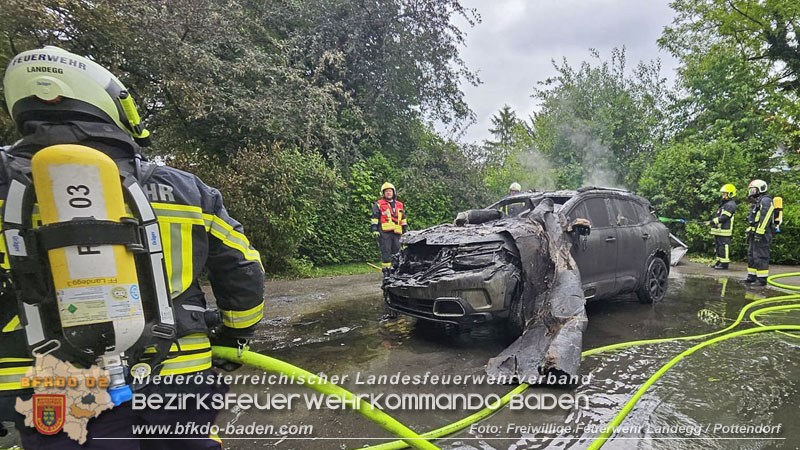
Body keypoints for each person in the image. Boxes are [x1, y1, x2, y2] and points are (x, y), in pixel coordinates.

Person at [1, 46, 265, 449]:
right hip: (177, 375)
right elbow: (244, 267)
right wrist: (233, 338)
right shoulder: (185, 191)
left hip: (51, 385)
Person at [370, 182, 407, 274]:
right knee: (386, 252)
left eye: (390, 191)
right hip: (385, 232)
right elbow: (375, 217)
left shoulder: (400, 204)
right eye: (386, 191)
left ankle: (396, 270)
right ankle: (386, 271)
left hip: (397, 232)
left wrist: (405, 230)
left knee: (397, 252)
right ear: (383, 193)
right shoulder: (379, 204)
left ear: (393, 192)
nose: (388, 193)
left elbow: (403, 218)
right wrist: (374, 229)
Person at [743, 179, 774, 286]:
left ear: (760, 189)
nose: (751, 193)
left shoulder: (766, 201)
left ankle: (761, 279)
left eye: (753, 190)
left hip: (762, 233)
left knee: (760, 255)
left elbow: (766, 217)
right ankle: (752, 276)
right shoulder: (758, 201)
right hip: (755, 232)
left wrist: (760, 232)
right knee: (752, 255)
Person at [708, 184, 737, 270]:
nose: (723, 195)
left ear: (730, 194)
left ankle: (724, 264)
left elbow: (724, 217)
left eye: (725, 193)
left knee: (724, 247)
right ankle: (719, 262)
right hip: (719, 230)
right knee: (718, 247)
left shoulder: (731, 205)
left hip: (725, 230)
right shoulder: (724, 204)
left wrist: (714, 221)